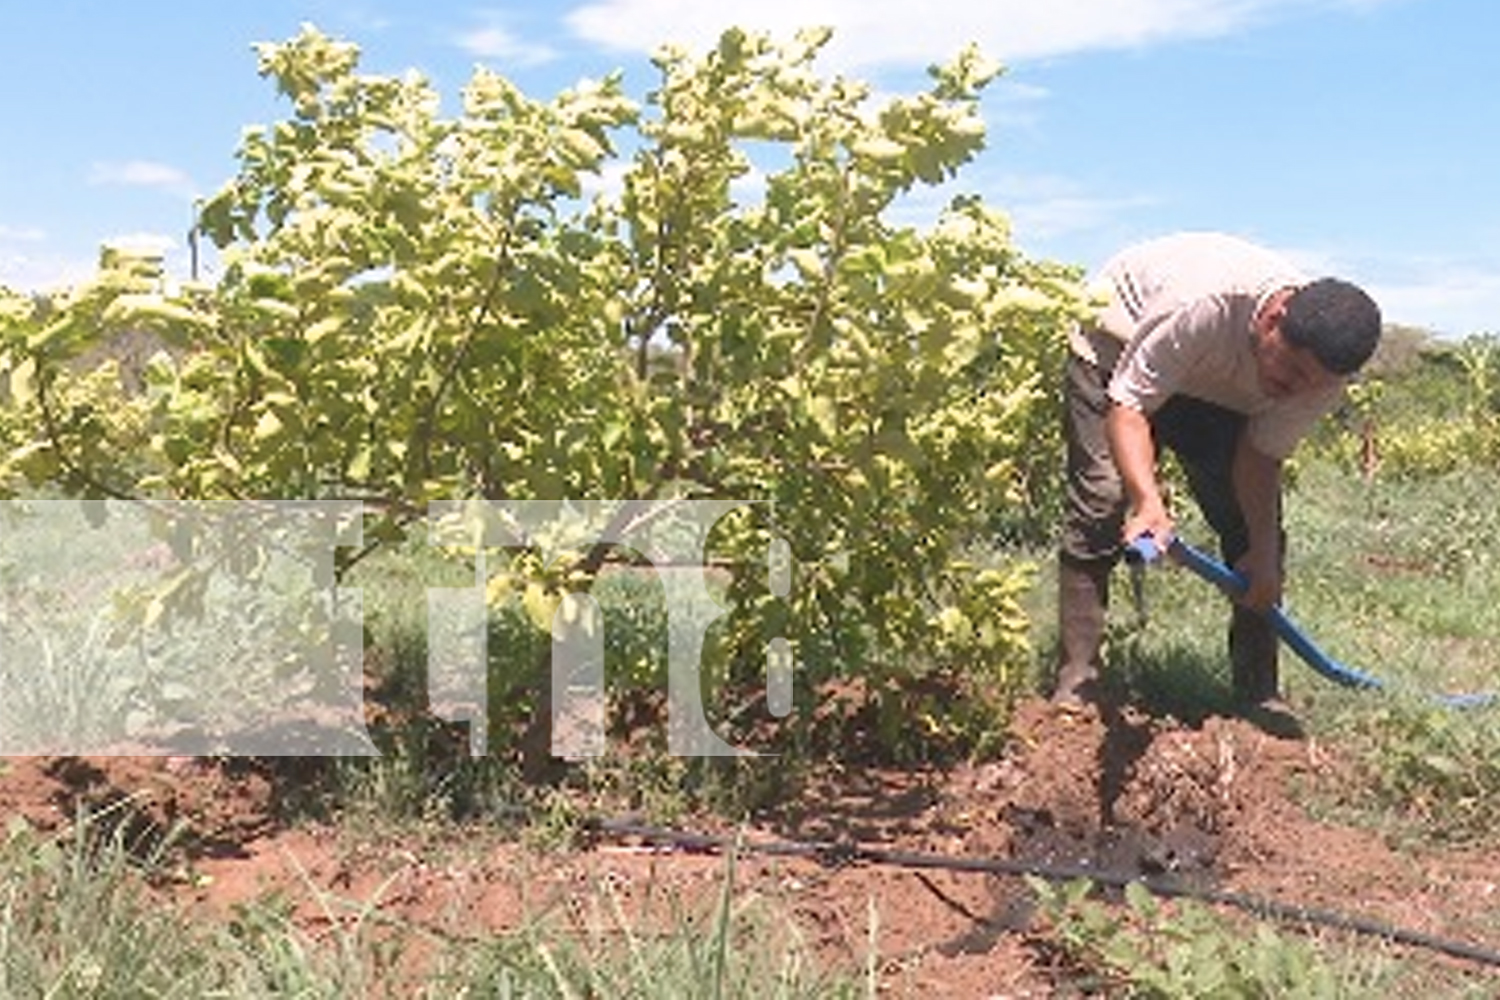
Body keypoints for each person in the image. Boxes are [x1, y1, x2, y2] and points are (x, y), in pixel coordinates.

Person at [1052, 231, 1382, 725]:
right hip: (1114, 349)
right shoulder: (1201, 305)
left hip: (1215, 384)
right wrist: (1148, 501)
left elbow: (1260, 457)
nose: (1294, 391)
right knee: (1102, 496)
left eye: (1309, 384)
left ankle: (1258, 692)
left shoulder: (1319, 379)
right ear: (1273, 320)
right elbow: (1130, 405)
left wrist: (1265, 556)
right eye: (1290, 371)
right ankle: (1079, 677)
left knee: (1254, 534)